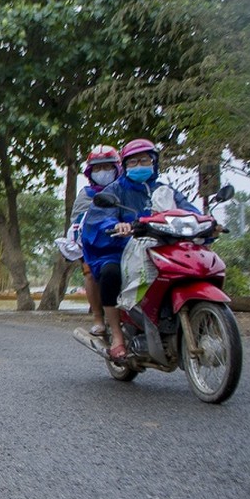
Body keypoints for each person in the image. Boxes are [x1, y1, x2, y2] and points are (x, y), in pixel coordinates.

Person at [81, 138, 198, 361]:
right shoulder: (114, 190)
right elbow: (99, 219)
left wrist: (207, 221)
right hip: (122, 250)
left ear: (153, 162)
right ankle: (117, 335)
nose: (139, 165)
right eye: (133, 162)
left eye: (144, 160)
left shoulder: (165, 190)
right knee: (110, 273)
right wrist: (115, 225)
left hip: (161, 247)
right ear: (124, 166)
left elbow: (188, 210)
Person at [65, 145, 122, 337]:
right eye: (97, 168)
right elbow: (79, 221)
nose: (103, 172)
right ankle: (98, 318)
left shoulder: (126, 190)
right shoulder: (87, 195)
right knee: (90, 272)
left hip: (126, 240)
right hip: (94, 242)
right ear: (90, 172)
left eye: (107, 167)